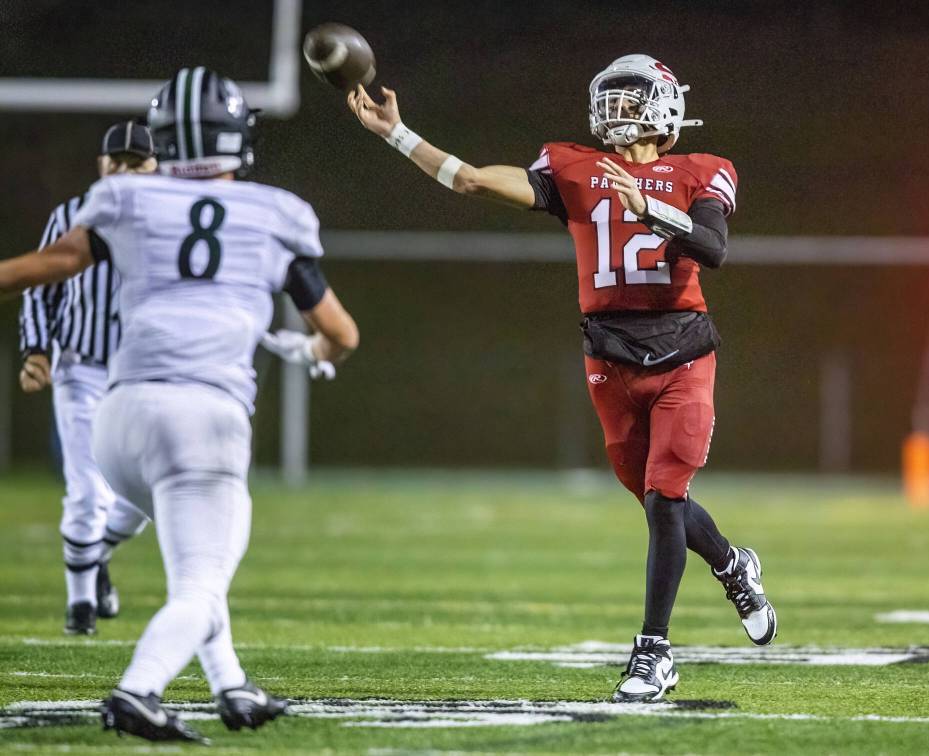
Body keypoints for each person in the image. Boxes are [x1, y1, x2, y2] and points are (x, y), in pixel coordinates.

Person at [348, 54, 775, 703]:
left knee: (665, 497)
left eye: (631, 100)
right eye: (613, 98)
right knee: (664, 504)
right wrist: (397, 134)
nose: (617, 109)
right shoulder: (573, 167)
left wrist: (651, 209)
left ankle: (654, 653)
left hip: (684, 354)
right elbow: (470, 182)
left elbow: (714, 250)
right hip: (608, 359)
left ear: (664, 108)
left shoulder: (703, 170)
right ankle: (732, 564)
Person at [0, 67, 360, 742]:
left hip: (120, 417)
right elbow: (341, 332)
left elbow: (50, 264)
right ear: (238, 138)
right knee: (201, 576)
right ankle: (138, 690)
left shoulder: (127, 198)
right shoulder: (275, 212)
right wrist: (310, 353)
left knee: (195, 556)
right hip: (202, 420)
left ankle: (232, 688)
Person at [18, 122, 155, 636]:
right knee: (86, 491)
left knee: (144, 493)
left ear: (154, 166)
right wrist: (36, 348)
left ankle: (93, 559)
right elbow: (38, 286)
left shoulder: (168, 221)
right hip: (81, 368)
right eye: (114, 160)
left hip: (143, 375)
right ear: (101, 164)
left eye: (134, 161)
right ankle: (80, 609)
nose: (121, 170)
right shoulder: (70, 216)